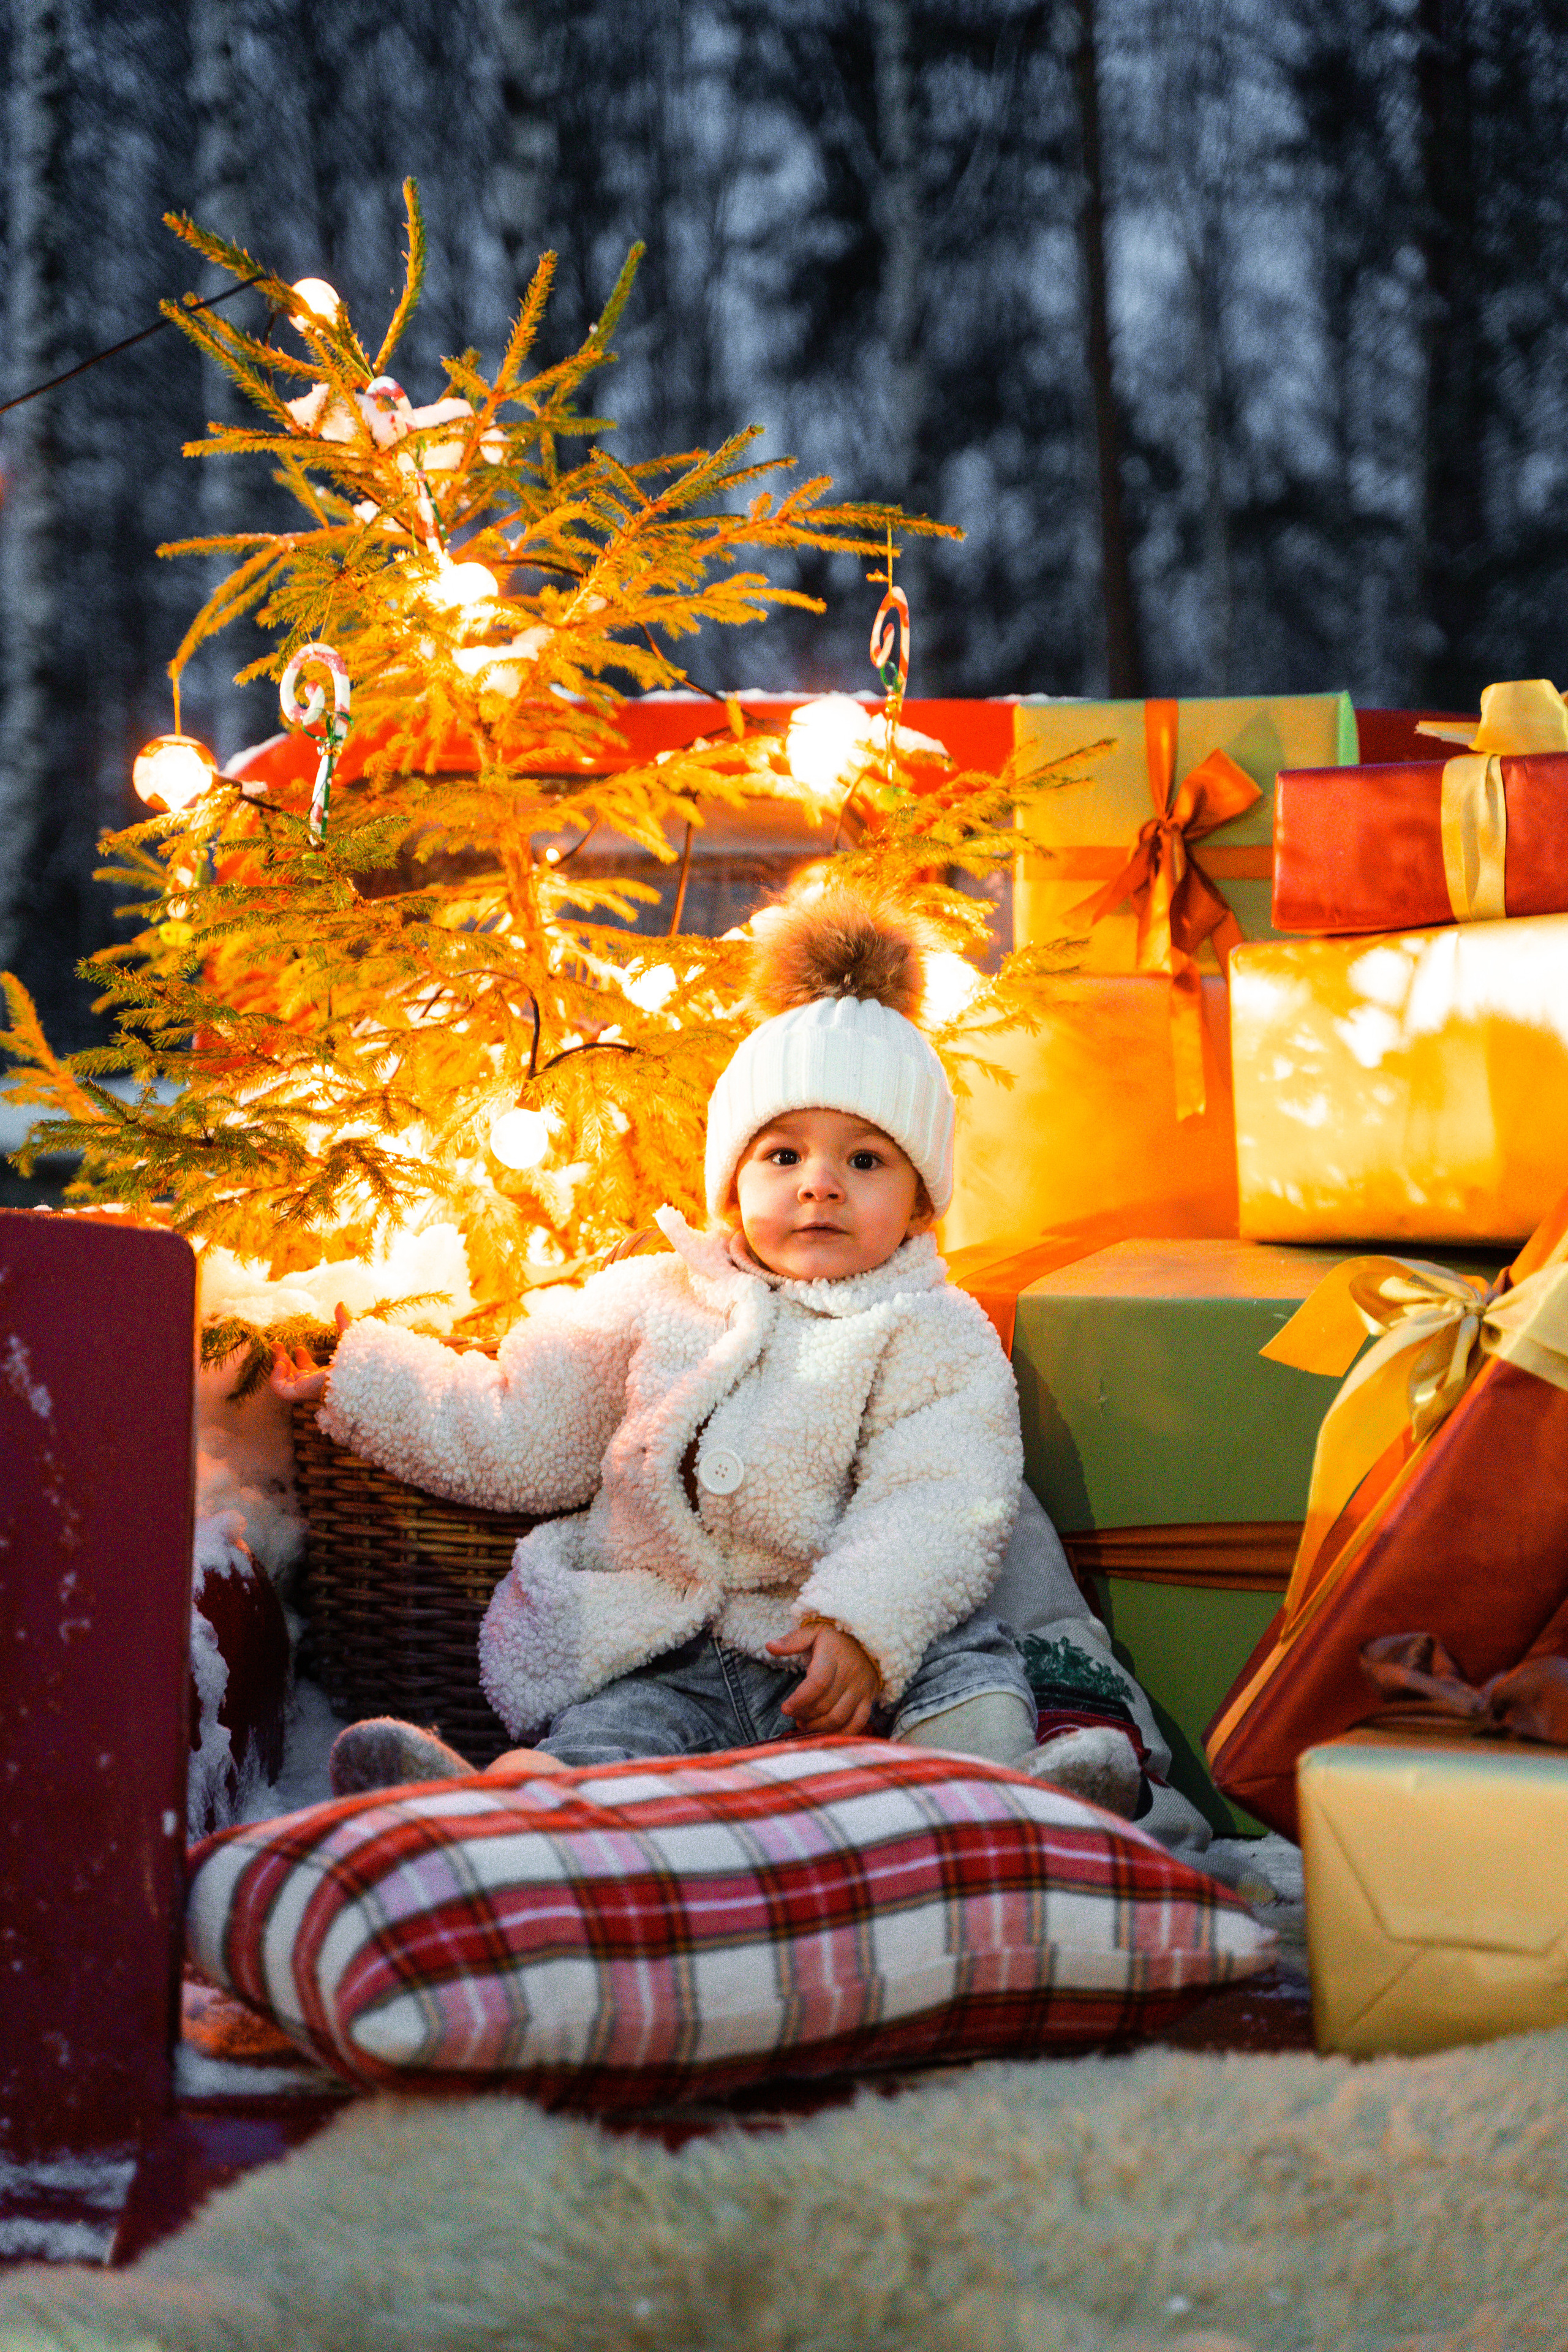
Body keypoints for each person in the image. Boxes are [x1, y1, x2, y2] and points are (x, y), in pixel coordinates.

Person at [273, 886, 1039, 1795]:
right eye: (783, 1155)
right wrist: (366, 1382)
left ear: (917, 1200)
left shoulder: (930, 1329)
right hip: (672, 1651)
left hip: (853, 1657)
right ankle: (519, 1804)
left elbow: (943, 1494)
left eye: (865, 1160)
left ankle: (1022, 1804)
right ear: (733, 1179)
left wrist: (866, 1626)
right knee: (610, 1735)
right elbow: (522, 1422)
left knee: (976, 1681)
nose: (821, 1184)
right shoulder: (660, 1297)